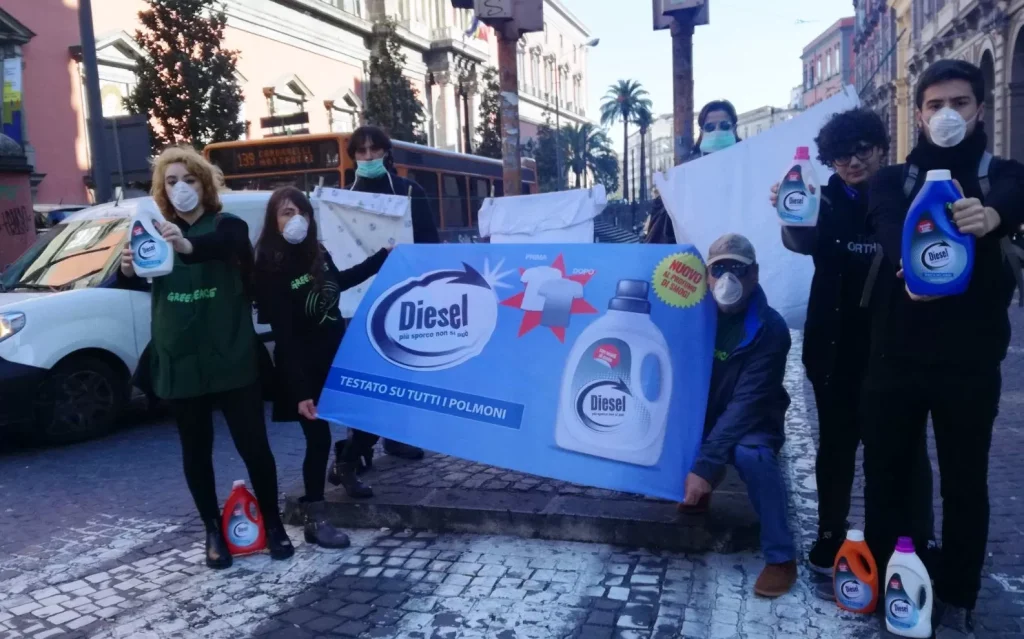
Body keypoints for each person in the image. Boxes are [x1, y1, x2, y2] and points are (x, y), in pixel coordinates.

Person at [863, 59, 1024, 632]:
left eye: (959, 103)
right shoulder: (893, 181)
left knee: (965, 482)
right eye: (935, 106)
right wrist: (911, 271)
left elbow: (1017, 192)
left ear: (980, 109)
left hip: (969, 362)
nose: (947, 115)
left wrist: (993, 216)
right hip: (895, 359)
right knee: (886, 475)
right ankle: (890, 579)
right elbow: (885, 223)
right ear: (919, 114)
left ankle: (957, 593)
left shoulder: (998, 177)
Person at [769, 109, 935, 576]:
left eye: (862, 150)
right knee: (836, 446)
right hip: (833, 345)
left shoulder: (907, 193)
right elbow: (800, 242)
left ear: (882, 147)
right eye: (841, 156)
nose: (853, 163)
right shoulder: (821, 199)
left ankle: (906, 538)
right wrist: (788, 214)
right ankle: (830, 532)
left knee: (900, 449)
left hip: (894, 347)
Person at [119, 146, 293, 569]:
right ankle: (213, 531)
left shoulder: (227, 225)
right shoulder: (153, 233)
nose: (181, 188)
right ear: (162, 190)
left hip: (231, 353)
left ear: (205, 183)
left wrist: (185, 245)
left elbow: (226, 245)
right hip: (180, 357)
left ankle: (274, 525)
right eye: (172, 182)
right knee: (195, 450)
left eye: (189, 179)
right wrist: (127, 267)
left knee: (254, 445)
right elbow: (135, 281)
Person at [253, 187, 390, 546]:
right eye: (285, 212)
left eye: (301, 211)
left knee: (370, 413)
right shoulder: (269, 264)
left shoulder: (318, 251)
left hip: (336, 355)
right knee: (317, 439)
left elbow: (338, 283)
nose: (294, 218)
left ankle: (344, 466)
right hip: (301, 365)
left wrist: (382, 259)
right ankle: (316, 517)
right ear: (273, 220)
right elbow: (283, 334)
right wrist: (299, 392)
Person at [681, 233, 797, 598]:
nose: (727, 279)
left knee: (752, 455)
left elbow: (747, 403)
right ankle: (700, 489)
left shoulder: (770, 329)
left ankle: (781, 558)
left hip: (753, 420)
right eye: (719, 270)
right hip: (704, 415)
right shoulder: (691, 315)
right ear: (707, 276)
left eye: (738, 269)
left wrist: (705, 464)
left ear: (755, 275)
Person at [326, 125, 437, 485]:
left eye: (375, 150)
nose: (369, 157)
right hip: (357, 299)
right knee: (364, 375)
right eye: (362, 151)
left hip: (405, 296)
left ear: (387, 153)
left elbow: (429, 243)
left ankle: (395, 436)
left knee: (401, 369)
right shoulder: (343, 198)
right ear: (353, 156)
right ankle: (357, 447)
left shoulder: (409, 191)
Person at [644, 100, 742, 244]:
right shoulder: (685, 173)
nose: (717, 131)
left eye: (724, 125)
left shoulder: (750, 167)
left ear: (734, 128)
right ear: (702, 132)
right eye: (710, 127)